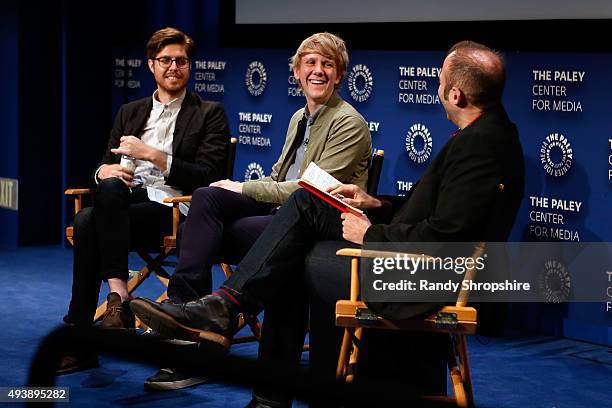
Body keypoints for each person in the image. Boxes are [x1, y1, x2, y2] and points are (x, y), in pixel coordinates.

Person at [131, 40, 525, 407]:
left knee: (295, 245)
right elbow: (441, 214)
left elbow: (446, 236)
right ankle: (232, 322)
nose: (436, 86)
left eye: (440, 79)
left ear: (456, 94)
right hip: (416, 264)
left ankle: (238, 333)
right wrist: (377, 203)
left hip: (421, 279)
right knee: (300, 217)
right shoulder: (487, 135)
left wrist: (371, 232)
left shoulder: (480, 146)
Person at [142, 32, 372, 390]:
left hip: (315, 223)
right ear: (296, 71)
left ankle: (202, 332)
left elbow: (312, 194)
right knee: (206, 197)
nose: (318, 71)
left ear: (340, 75)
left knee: (205, 230)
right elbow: (280, 177)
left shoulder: (348, 123)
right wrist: (233, 188)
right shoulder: (300, 117)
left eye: (328, 65)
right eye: (310, 63)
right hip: (281, 212)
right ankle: (183, 310)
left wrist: (242, 186)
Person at [59, 27, 231, 374]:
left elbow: (208, 176)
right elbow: (105, 163)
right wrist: (102, 172)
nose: (173, 67)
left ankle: (89, 331)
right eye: (165, 60)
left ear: (189, 67)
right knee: (106, 192)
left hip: (174, 207)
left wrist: (151, 154)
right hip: (125, 202)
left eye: (181, 61)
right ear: (151, 65)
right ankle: (119, 297)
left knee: (87, 222)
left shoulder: (209, 113)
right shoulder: (131, 111)